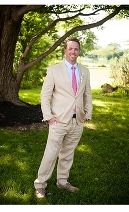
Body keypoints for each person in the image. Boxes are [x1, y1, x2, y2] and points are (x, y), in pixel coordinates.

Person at [34, 38, 93, 199]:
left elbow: (87, 94)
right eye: (70, 49)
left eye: (76, 49)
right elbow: (45, 95)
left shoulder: (85, 71)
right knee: (50, 154)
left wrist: (88, 113)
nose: (73, 51)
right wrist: (48, 117)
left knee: (68, 154)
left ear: (79, 51)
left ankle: (62, 182)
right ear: (65, 50)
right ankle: (40, 185)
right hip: (58, 120)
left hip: (77, 120)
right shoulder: (54, 70)